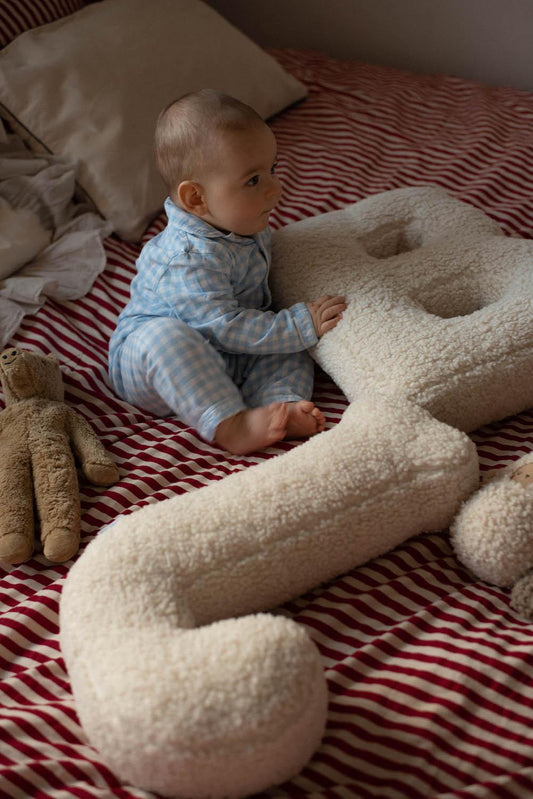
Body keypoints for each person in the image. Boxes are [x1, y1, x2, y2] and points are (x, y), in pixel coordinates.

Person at [109, 89, 346, 455]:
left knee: (284, 342)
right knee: (168, 337)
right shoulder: (186, 258)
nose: (274, 188)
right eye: (253, 180)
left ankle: (278, 405)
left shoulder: (239, 223)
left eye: (272, 170)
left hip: (226, 350)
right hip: (155, 368)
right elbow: (224, 326)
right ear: (196, 199)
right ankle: (231, 424)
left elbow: (245, 329)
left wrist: (289, 331)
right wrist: (299, 325)